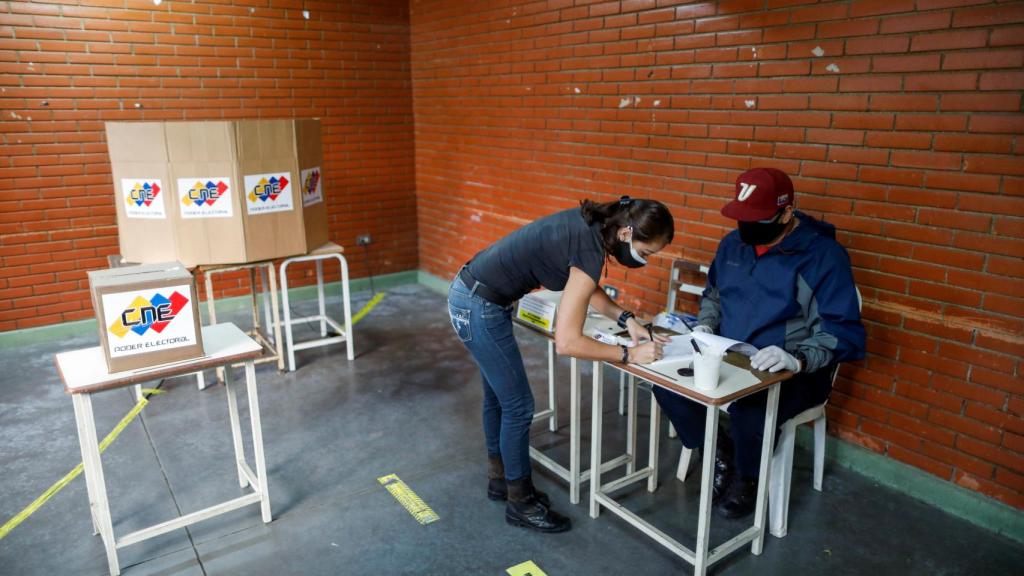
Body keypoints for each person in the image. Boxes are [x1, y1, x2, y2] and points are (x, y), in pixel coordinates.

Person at [447, 197, 675, 533]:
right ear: (627, 234)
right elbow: (567, 342)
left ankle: (502, 481)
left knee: (499, 397)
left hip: (472, 294)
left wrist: (626, 318)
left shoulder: (595, 227)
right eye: (648, 252)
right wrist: (629, 355)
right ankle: (520, 503)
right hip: (479, 306)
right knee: (518, 406)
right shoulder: (592, 245)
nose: (646, 260)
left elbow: (585, 284)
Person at [654, 167, 865, 520]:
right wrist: (706, 325)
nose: (748, 228)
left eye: (760, 220)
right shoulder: (732, 245)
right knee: (665, 380)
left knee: (749, 409)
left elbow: (839, 331)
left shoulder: (823, 257)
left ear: (787, 212)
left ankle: (747, 476)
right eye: (743, 218)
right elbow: (715, 296)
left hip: (794, 370)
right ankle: (718, 451)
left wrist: (797, 359)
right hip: (731, 355)